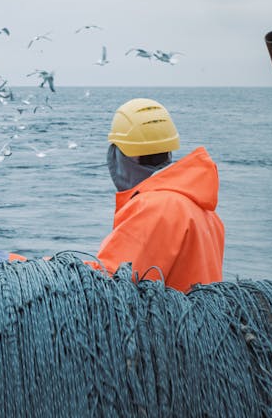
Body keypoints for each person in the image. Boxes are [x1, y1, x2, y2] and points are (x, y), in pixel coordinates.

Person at [96, 98, 224, 292]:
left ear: (121, 156)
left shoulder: (154, 208)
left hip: (170, 322)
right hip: (196, 320)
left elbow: (109, 282)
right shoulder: (204, 211)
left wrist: (38, 268)